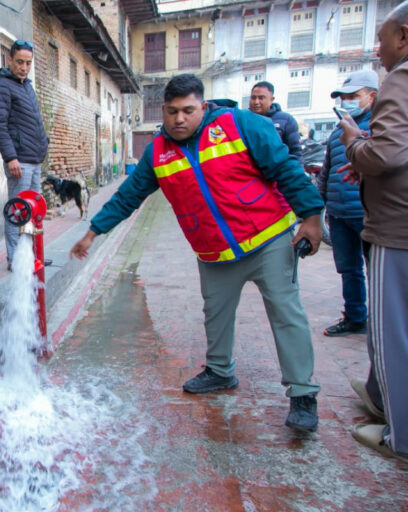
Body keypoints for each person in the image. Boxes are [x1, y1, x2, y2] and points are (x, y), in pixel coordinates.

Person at [70, 74, 324, 432]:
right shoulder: (157, 152)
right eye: (172, 111)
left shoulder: (241, 125)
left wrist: (311, 217)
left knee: (286, 313)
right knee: (215, 314)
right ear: (163, 110)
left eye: (188, 111)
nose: (179, 119)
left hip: (268, 240)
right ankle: (220, 371)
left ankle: (302, 393)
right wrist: (93, 231)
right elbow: (128, 196)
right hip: (215, 252)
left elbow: (285, 169)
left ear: (203, 107)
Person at [339, 1, 408, 462]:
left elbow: (384, 155)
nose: (378, 51)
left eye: (381, 40)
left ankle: (398, 435)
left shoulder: (401, 79)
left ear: (404, 35)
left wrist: (354, 143)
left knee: (391, 336)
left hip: (397, 227)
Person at [317, 71, 378, 336]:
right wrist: (318, 206)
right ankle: (355, 317)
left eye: (354, 96)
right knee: (349, 269)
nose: (347, 101)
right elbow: (327, 171)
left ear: (371, 96)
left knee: (378, 271)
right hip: (338, 214)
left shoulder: (380, 127)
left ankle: (382, 322)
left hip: (368, 214)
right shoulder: (337, 132)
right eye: (344, 97)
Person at [0, 40, 51, 270]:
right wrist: (10, 157)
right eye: (20, 62)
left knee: (33, 212)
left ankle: (31, 256)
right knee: (17, 211)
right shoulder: (1, 87)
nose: (24, 68)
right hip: (19, 161)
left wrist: (44, 143)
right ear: (10, 60)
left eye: (28, 63)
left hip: (34, 159)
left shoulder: (27, 86)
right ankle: (15, 259)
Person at [249, 81, 303, 159]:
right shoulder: (243, 120)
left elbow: (296, 152)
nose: (256, 102)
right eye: (253, 98)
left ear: (271, 99)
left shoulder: (286, 120)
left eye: (261, 98)